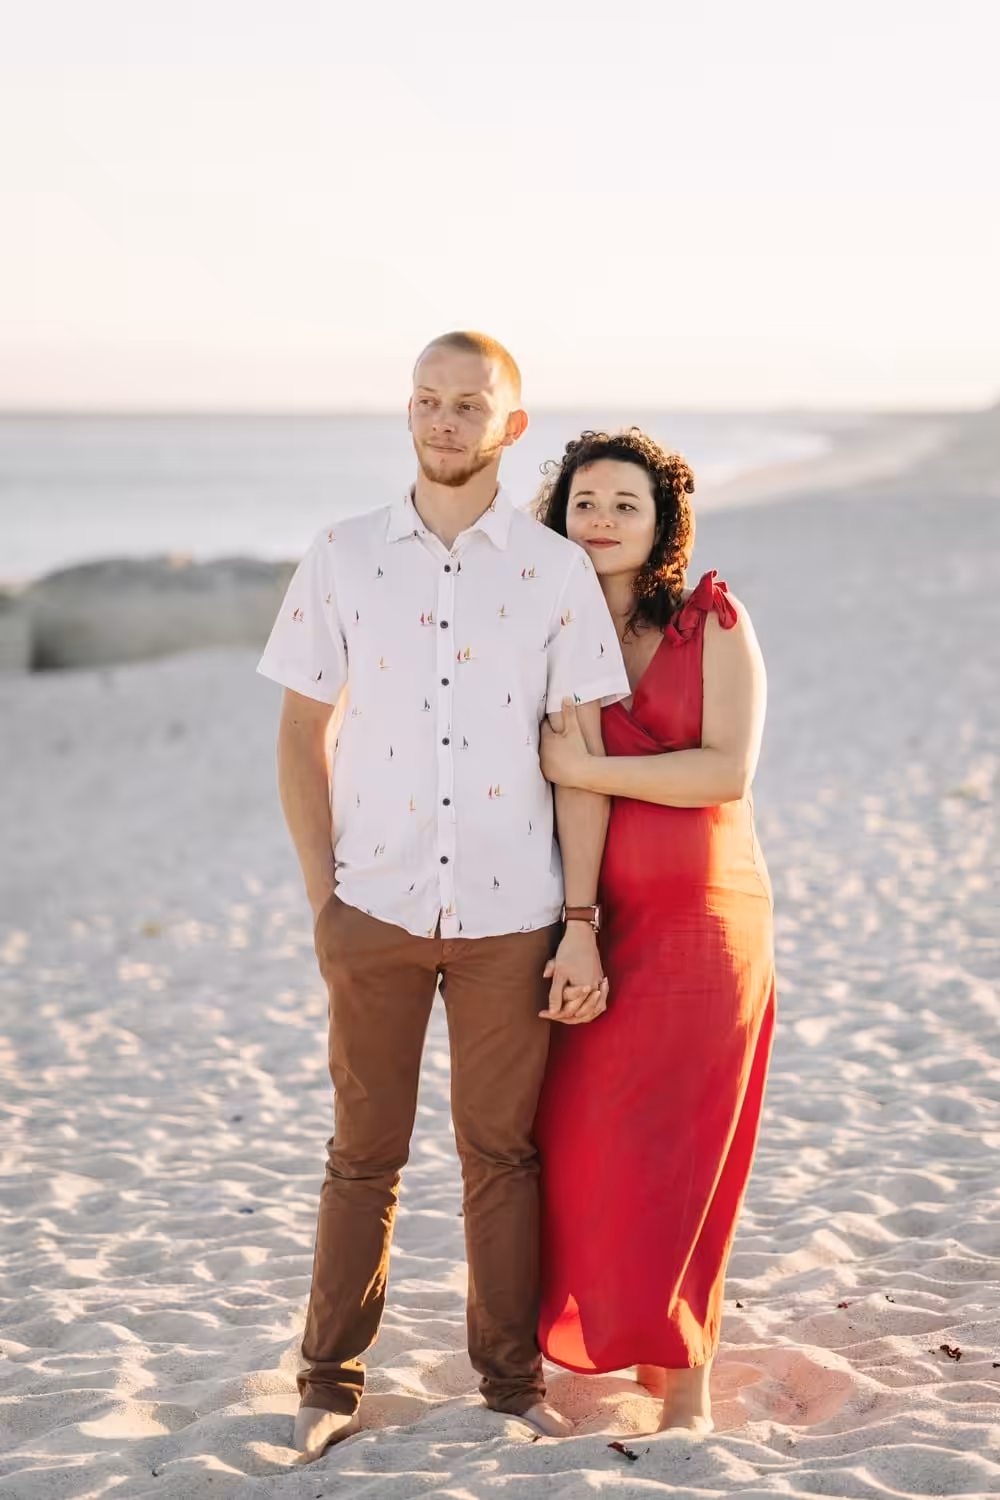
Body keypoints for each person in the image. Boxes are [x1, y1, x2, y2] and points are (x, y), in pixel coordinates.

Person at [256, 333, 630, 1460]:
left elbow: (577, 755)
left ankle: (507, 1388)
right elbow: (299, 733)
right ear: (406, 411)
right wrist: (326, 898)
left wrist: (579, 922)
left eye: (469, 406)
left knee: (499, 1154)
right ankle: (328, 1381)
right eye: (427, 401)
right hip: (371, 906)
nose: (444, 422)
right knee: (361, 1153)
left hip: (512, 916)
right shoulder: (341, 554)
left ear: (511, 427)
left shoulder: (556, 572)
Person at [533, 427, 776, 1435]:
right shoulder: (542, 625)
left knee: (681, 1148)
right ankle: (599, 1334)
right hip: (584, 912)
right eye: (585, 500)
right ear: (559, 514)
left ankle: (684, 1381)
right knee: (582, 1140)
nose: (601, 520)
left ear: (661, 522)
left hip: (704, 922)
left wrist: (590, 771)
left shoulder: (712, 621)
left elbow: (724, 772)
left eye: (624, 504)